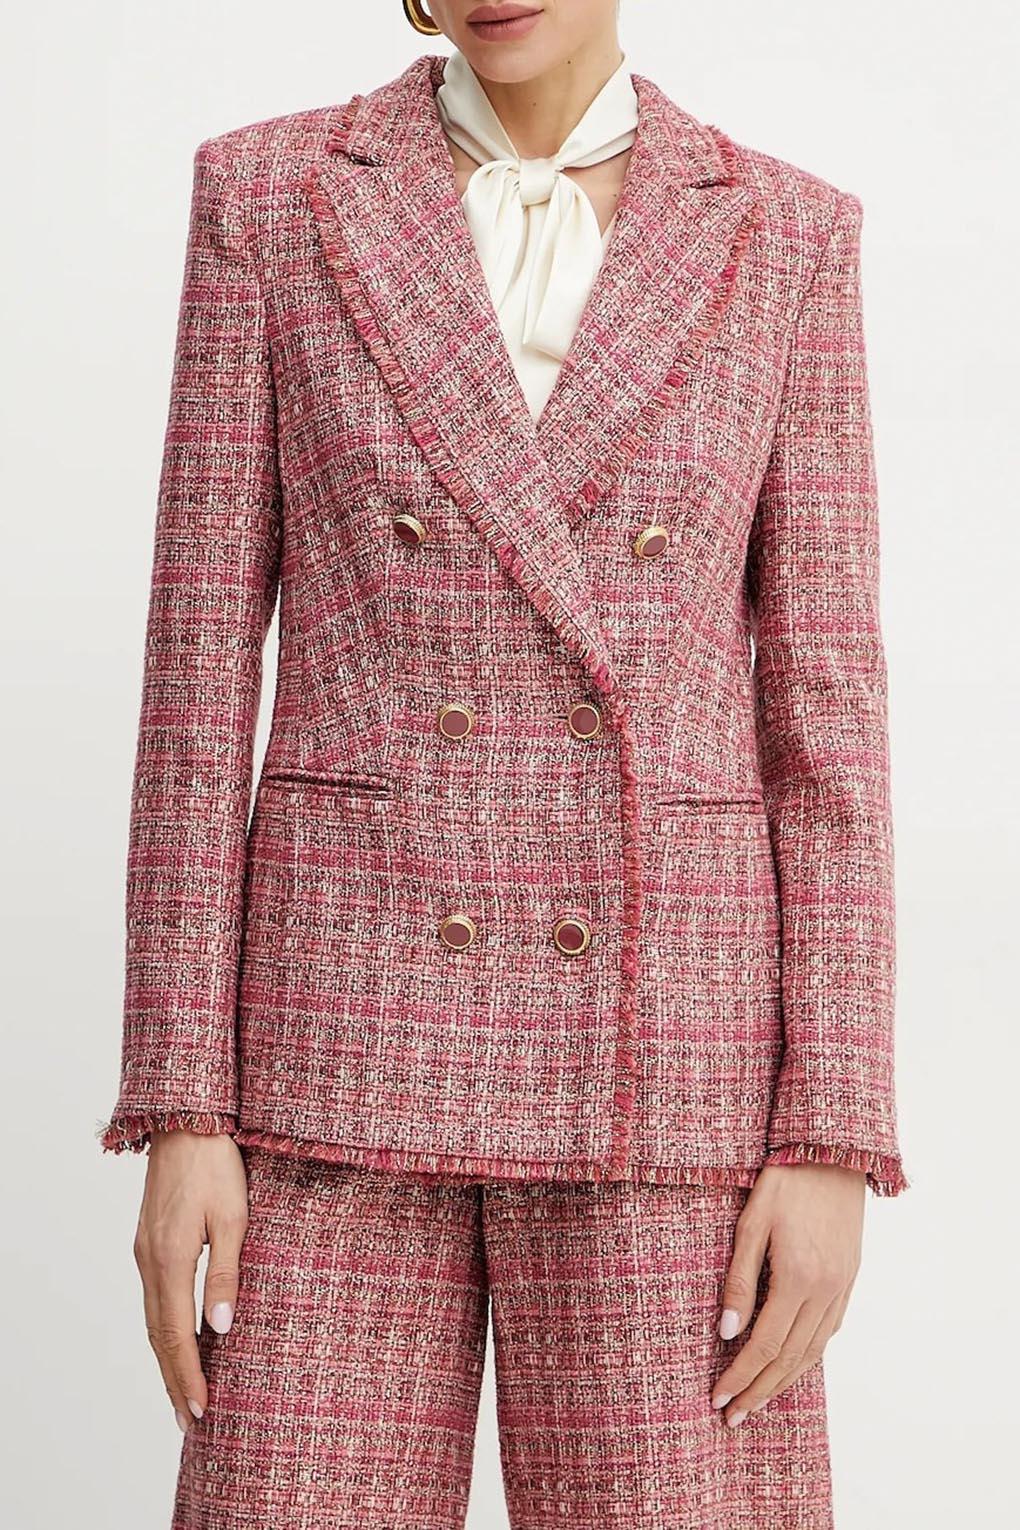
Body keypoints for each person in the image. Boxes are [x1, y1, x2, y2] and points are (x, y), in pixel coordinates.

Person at [99, 2, 909, 1525]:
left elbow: (827, 721)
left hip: (668, 1066)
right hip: (335, 1051)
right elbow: (197, 682)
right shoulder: (272, 198)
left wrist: (831, 1132)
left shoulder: (786, 236)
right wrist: (181, 1103)